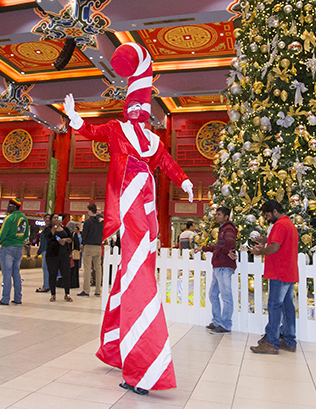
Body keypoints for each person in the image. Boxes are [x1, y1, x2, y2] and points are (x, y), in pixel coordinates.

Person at [64, 42, 194, 395]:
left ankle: (139, 362)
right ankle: (127, 353)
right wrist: (76, 118)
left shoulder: (154, 140)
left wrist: (185, 181)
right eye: (133, 104)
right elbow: (90, 132)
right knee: (132, 275)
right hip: (130, 206)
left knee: (137, 275)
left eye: (142, 105)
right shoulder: (116, 129)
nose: (138, 109)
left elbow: (168, 165)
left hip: (146, 208)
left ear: (149, 109)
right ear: (127, 106)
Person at [249, 200, 299, 355]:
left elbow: (275, 247)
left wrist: (260, 251)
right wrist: (266, 240)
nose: (267, 218)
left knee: (274, 306)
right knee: (287, 307)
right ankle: (289, 341)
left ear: (275, 211)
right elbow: (280, 243)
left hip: (279, 272)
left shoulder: (280, 225)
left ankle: (272, 342)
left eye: (268, 214)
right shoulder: (289, 224)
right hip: (289, 271)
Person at [195, 206, 237, 334]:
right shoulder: (223, 229)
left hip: (224, 266)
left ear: (225, 216)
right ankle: (217, 321)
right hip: (218, 266)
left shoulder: (228, 228)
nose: (216, 216)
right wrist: (204, 248)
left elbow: (229, 243)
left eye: (219, 214)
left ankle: (226, 325)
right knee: (213, 294)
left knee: (226, 296)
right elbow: (219, 246)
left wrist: (225, 252)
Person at [0, 199, 28, 305]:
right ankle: (18, 298)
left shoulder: (10, 218)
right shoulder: (24, 218)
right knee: (16, 273)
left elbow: (3, 233)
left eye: (9, 205)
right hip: (19, 248)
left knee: (7, 274)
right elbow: (26, 234)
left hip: (8, 247)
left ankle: (5, 299)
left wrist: (0, 240)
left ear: (13, 207)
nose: (7, 207)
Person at [45, 213, 73, 302]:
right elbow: (49, 237)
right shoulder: (48, 229)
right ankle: (53, 294)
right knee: (52, 274)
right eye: (54, 218)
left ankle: (67, 294)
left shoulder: (65, 229)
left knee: (66, 274)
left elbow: (70, 239)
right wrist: (55, 227)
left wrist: (64, 240)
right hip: (52, 255)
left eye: (58, 218)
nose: (56, 219)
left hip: (64, 254)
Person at [78, 203, 104, 297]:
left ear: (89, 211)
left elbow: (85, 235)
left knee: (87, 269)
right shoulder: (101, 222)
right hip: (98, 247)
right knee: (98, 269)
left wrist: (82, 243)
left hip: (88, 246)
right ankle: (98, 290)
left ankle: (86, 290)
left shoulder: (88, 222)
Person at [34, 214, 51, 293]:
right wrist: (38, 253)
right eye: (46, 218)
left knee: (46, 267)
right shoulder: (44, 229)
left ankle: (46, 286)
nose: (47, 219)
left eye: (49, 218)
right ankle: (47, 284)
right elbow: (42, 243)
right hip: (44, 250)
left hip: (49, 250)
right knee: (46, 267)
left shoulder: (51, 229)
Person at [68, 220, 82, 289]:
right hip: (74, 254)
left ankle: (69, 282)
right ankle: (74, 283)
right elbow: (77, 245)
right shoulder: (74, 234)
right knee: (74, 269)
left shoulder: (68, 233)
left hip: (69, 254)